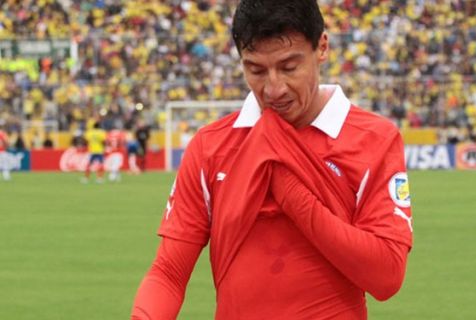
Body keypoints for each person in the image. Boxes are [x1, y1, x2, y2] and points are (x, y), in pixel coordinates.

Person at [131, 1, 413, 319]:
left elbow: (387, 276)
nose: (274, 88)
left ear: (322, 47)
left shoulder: (374, 140)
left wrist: (295, 199)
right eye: (256, 70)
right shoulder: (211, 147)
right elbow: (168, 273)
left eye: (289, 67)